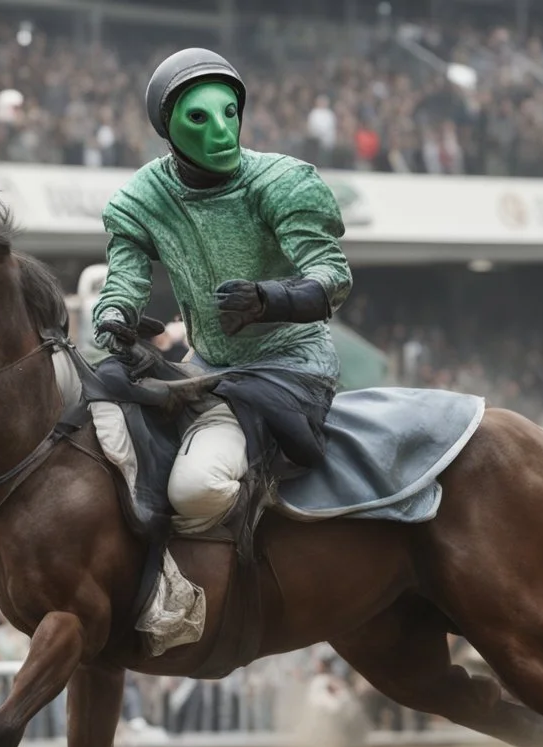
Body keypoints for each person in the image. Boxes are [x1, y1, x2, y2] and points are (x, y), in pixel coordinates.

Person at [93, 47, 352, 537]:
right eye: (199, 117)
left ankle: (224, 597)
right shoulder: (139, 199)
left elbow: (331, 274)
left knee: (195, 488)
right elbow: (123, 280)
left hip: (290, 366)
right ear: (169, 129)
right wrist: (115, 317)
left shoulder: (281, 181)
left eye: (230, 113)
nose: (221, 130)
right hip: (205, 368)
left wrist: (269, 298)